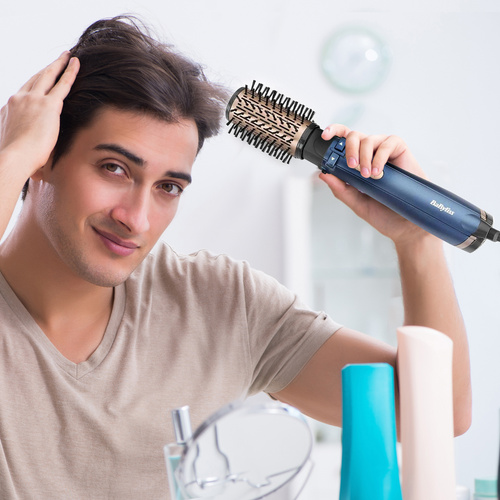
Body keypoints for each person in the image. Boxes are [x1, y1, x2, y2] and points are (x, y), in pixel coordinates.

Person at [0, 15, 471, 500]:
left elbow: (436, 414)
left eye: (168, 187)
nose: (136, 219)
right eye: (114, 168)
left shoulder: (220, 304)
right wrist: (11, 156)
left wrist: (416, 243)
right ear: (44, 157)